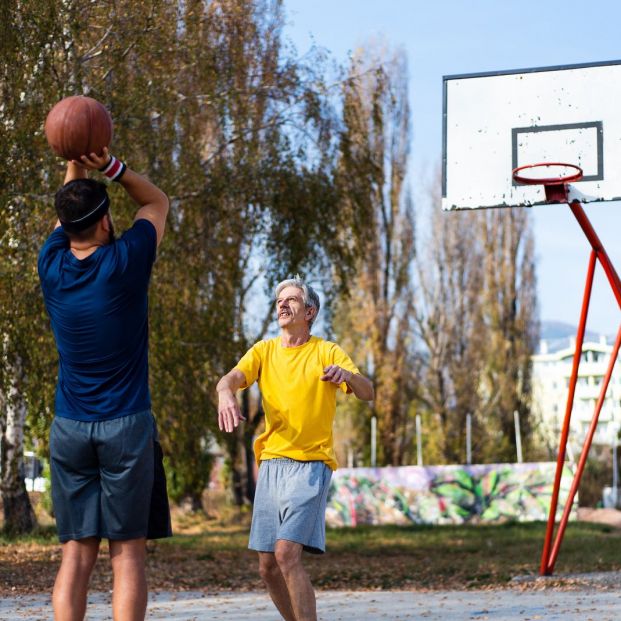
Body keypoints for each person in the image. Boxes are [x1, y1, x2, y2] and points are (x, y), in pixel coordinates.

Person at [38, 147, 172, 621]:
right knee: (127, 554)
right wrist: (111, 166)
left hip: (70, 428)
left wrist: (73, 161)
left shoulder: (50, 266)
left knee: (75, 555)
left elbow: (67, 211)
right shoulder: (125, 263)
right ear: (106, 223)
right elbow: (157, 203)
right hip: (125, 428)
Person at [216, 276, 374, 621]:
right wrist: (224, 392)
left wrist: (346, 376)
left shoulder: (327, 351)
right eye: (279, 301)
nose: (283, 306)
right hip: (272, 464)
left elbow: (368, 391)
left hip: (311, 465)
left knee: (286, 553)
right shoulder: (264, 351)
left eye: (291, 300)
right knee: (268, 566)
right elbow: (231, 378)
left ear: (310, 311)